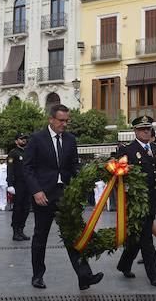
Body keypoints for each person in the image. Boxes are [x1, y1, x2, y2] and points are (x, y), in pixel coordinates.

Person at [23, 104, 102, 290]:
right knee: (40, 237)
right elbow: (27, 168)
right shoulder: (36, 139)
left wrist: (89, 177)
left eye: (67, 121)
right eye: (61, 121)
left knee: (72, 236)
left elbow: (74, 166)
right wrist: (36, 191)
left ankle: (84, 276)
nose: (65, 124)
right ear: (51, 119)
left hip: (65, 196)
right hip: (43, 196)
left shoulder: (71, 140)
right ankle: (37, 276)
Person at [114, 115, 156, 287]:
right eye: (142, 129)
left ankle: (124, 264)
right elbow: (117, 172)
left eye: (148, 129)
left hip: (153, 199)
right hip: (136, 202)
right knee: (146, 238)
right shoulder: (127, 150)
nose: (146, 131)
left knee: (137, 237)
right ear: (135, 131)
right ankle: (155, 276)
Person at [6, 133, 31, 241]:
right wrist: (10, 184)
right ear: (16, 141)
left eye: (25, 138)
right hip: (18, 184)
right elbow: (10, 169)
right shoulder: (13, 153)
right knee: (18, 208)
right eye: (21, 139)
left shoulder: (28, 152)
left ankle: (21, 229)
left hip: (28, 183)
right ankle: (15, 231)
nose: (24, 140)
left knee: (26, 208)